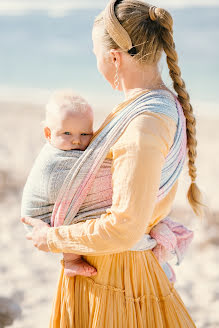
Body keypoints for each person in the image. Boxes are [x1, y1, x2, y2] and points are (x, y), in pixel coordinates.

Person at [22, 1, 206, 326]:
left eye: (95, 53)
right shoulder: (152, 107)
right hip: (110, 267)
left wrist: (51, 239)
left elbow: (124, 226)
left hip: (115, 278)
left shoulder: (143, 122)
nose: (96, 62)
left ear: (114, 57)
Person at [21, 90, 98, 277]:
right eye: (67, 133)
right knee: (72, 210)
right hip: (40, 217)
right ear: (48, 133)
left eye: (85, 134)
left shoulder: (66, 146)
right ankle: (71, 260)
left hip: (46, 210)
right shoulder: (54, 159)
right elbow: (71, 184)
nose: (76, 140)